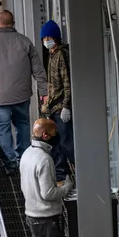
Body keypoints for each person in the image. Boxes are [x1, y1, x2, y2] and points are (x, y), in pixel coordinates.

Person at [0, 10, 48, 174]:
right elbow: (39, 70)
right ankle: (24, 160)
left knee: (3, 130)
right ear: (13, 24)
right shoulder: (24, 42)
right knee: (23, 125)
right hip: (21, 95)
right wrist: (43, 90)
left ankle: (11, 164)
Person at [21, 118, 73, 237]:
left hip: (32, 216)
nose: (56, 135)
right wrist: (66, 187)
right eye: (54, 133)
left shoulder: (27, 153)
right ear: (45, 135)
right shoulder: (44, 159)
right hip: (46, 220)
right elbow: (48, 194)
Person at [40, 20, 74, 183]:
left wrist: (66, 106)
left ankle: (78, 171)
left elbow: (67, 83)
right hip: (54, 107)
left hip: (61, 107)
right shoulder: (52, 54)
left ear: (56, 38)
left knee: (67, 143)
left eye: (49, 37)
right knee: (57, 143)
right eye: (44, 38)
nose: (46, 40)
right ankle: (61, 175)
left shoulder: (60, 55)